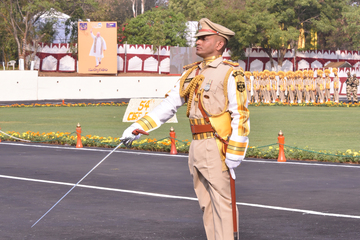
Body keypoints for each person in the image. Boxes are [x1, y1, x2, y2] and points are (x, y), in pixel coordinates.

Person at [121, 18, 249, 240]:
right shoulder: (190, 73)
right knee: (206, 204)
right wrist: (138, 127)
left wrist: (235, 152)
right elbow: (169, 105)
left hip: (218, 145)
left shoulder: (230, 73)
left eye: (203, 38)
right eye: (197, 38)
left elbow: (240, 113)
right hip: (197, 144)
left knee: (223, 204)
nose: (197, 42)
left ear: (219, 44)